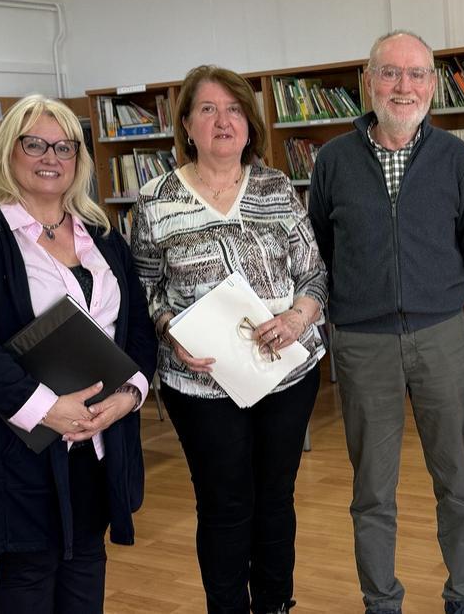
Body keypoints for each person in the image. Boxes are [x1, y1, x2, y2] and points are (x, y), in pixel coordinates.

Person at [0, 95, 158, 613]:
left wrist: (128, 396)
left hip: (99, 438)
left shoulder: (102, 235)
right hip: (22, 446)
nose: (50, 157)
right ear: (9, 151)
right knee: (30, 573)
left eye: (63, 147)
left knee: (87, 565)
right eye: (34, 144)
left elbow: (137, 331)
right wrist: (47, 409)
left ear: (79, 158)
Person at [130, 65, 327, 614]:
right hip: (201, 384)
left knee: (275, 499)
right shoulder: (155, 200)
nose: (223, 120)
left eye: (235, 109)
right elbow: (143, 289)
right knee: (223, 505)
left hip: (285, 375)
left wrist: (296, 320)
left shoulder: (277, 188)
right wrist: (170, 331)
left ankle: (275, 604)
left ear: (249, 123)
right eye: (209, 109)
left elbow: (314, 275)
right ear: (187, 125)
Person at [307, 30, 464, 614]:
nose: (403, 86)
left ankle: (463, 596)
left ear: (433, 85)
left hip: (442, 337)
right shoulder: (333, 160)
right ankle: (381, 601)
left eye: (416, 74)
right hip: (363, 343)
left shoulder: (455, 158)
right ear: (368, 82)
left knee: (456, 480)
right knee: (372, 488)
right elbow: (321, 248)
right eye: (390, 72)